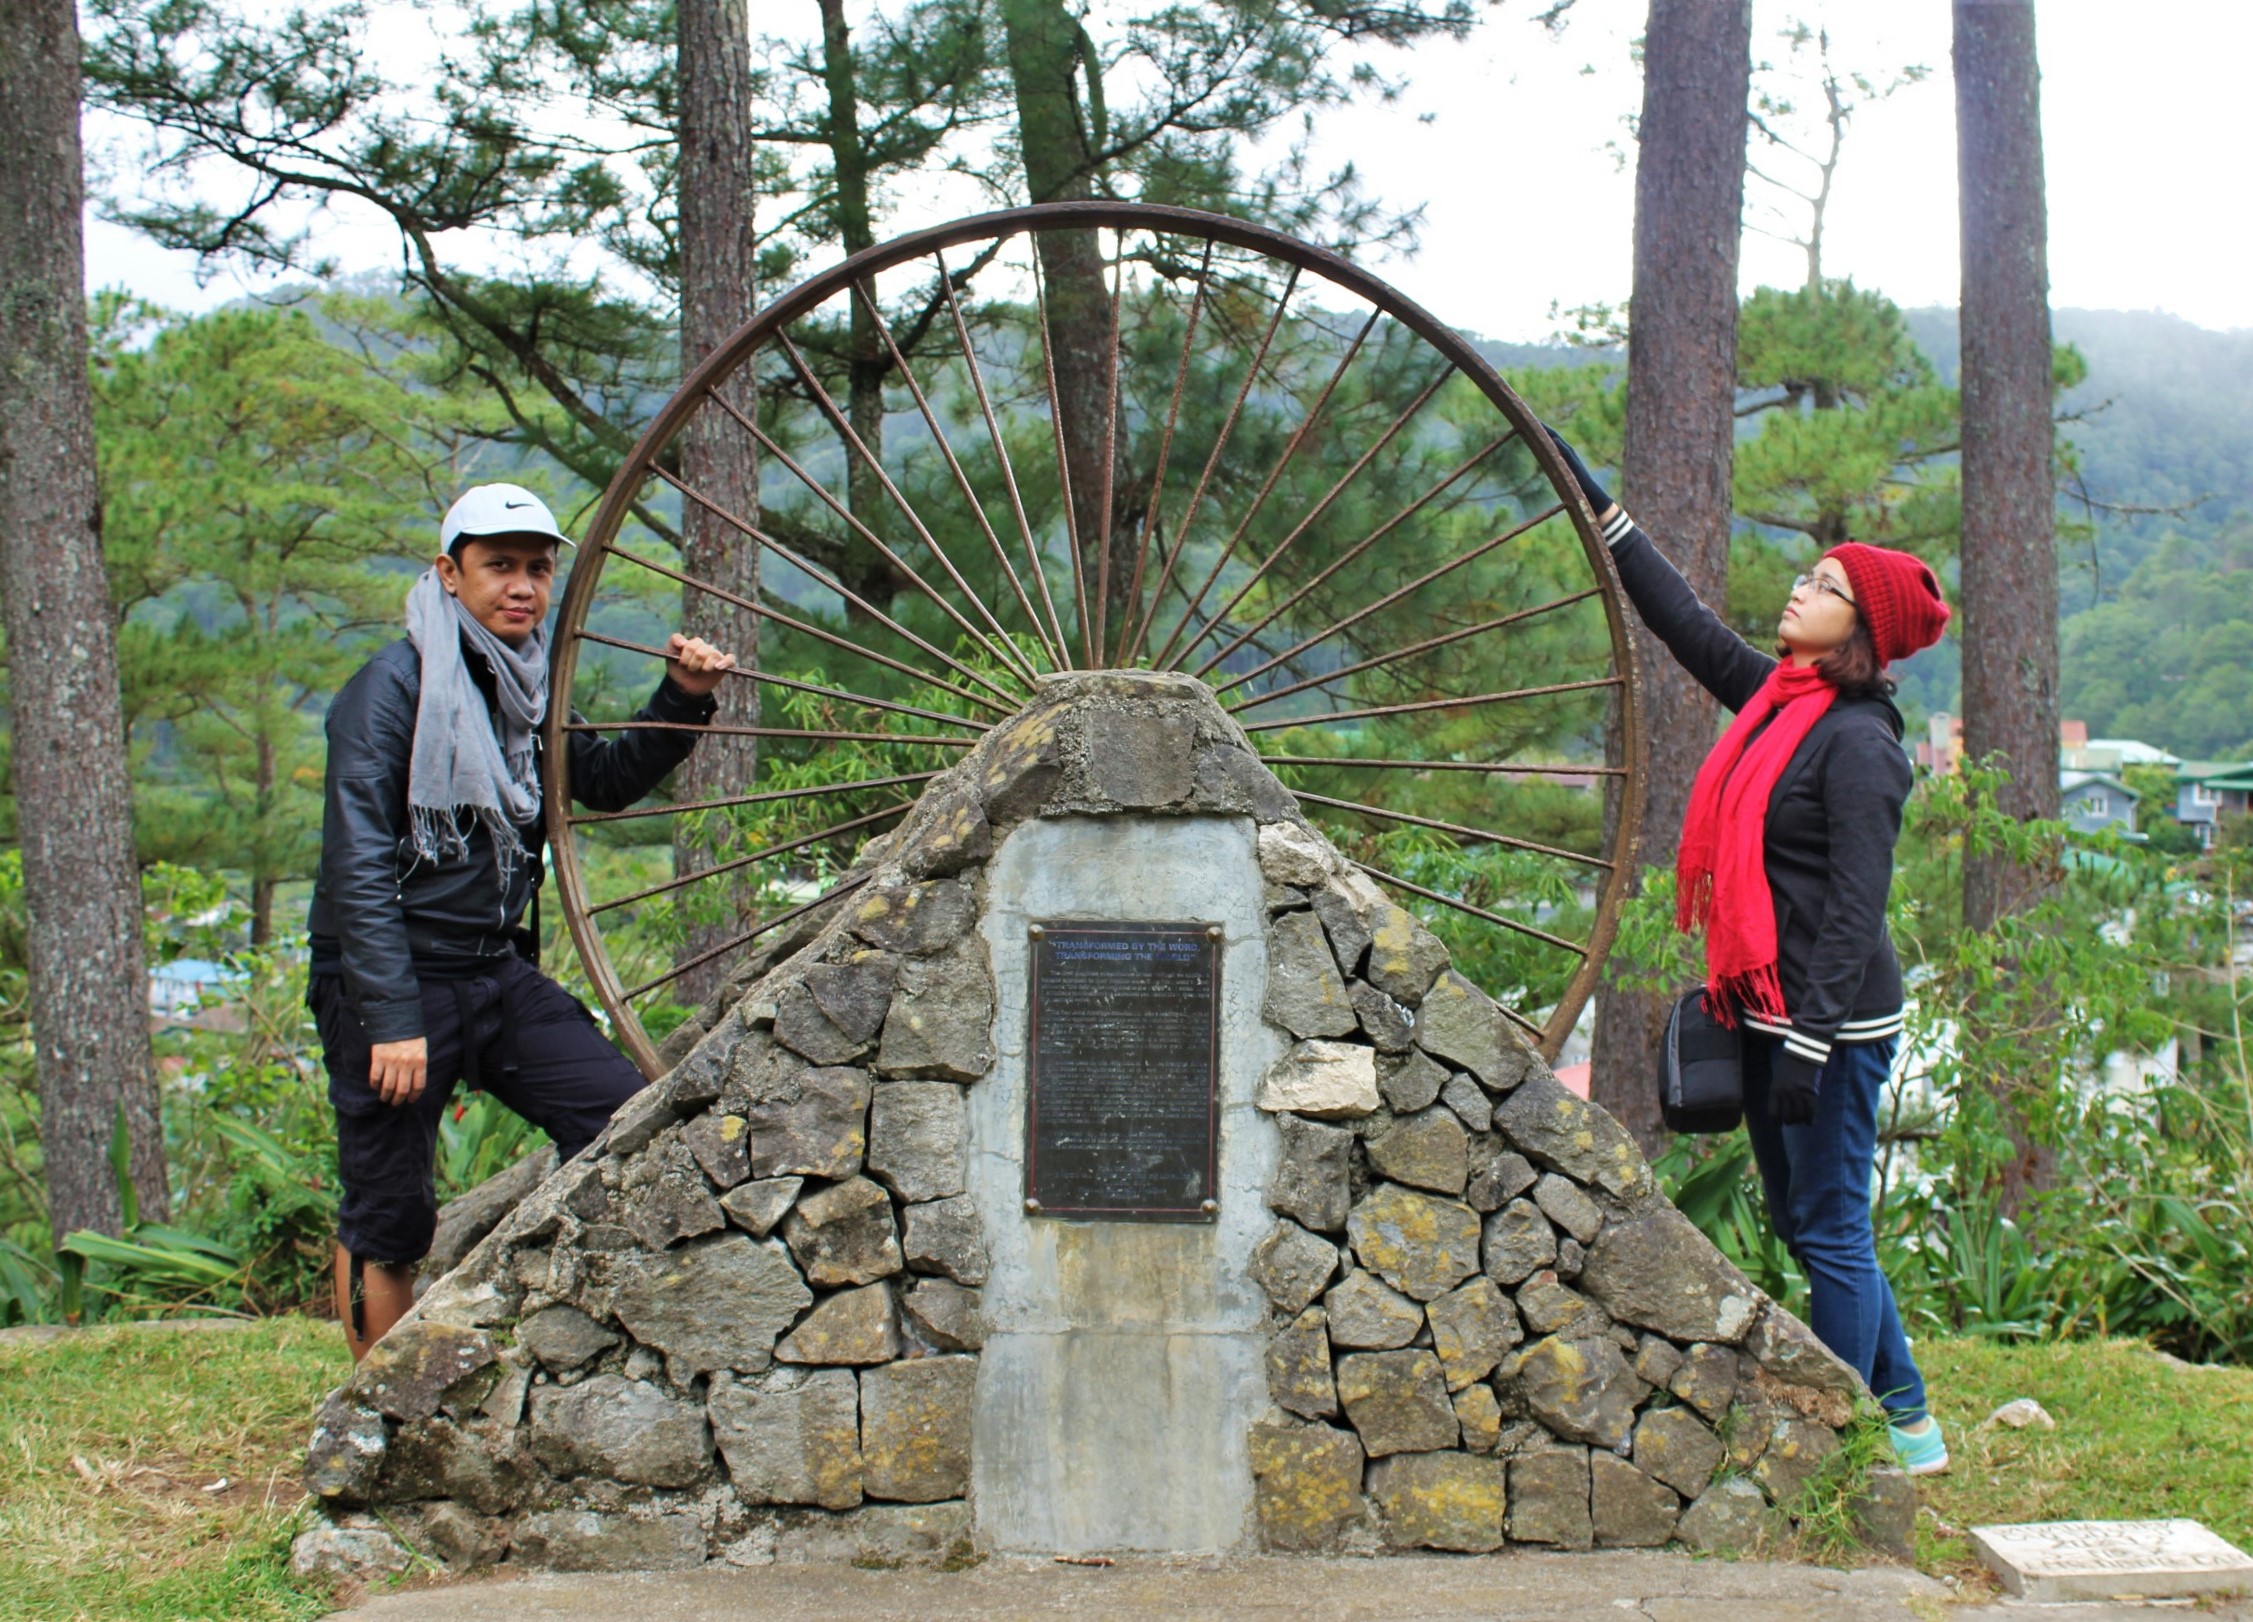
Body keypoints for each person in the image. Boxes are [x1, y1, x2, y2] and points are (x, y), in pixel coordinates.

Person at [1547, 427, 1952, 1478]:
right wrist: (1603, 508)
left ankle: (1848, 1453)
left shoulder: (1860, 740)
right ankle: (1909, 1421)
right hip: (1778, 1011)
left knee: (1827, 1230)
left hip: (1832, 1018)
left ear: (1858, 627)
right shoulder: (1783, 704)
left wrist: (1813, 1047)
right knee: (1809, 1215)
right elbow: (1687, 628)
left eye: (1821, 586)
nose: (1796, 591)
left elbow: (1859, 904)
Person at [308, 483, 735, 1361]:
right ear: (449, 572)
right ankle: (379, 1418)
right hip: (390, 983)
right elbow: (354, 866)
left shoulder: (523, 685)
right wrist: (390, 1020)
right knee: (389, 1213)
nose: (522, 588)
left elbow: (601, 782)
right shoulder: (389, 690)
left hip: (492, 971)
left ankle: (541, 1341)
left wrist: (682, 697)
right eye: (498, 566)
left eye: (538, 570)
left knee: (622, 1119)